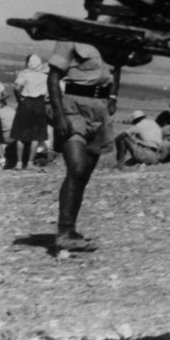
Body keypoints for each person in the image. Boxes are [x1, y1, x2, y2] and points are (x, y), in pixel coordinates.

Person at [47, 40, 119, 251]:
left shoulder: (111, 38)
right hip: (73, 108)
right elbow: (53, 77)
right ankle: (63, 233)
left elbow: (118, 68)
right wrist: (59, 115)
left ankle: (70, 230)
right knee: (76, 168)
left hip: (100, 112)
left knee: (84, 173)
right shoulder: (68, 39)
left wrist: (113, 95)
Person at [10, 54, 50, 170]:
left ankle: (18, 163)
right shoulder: (44, 76)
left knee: (20, 134)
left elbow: (16, 88)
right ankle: (30, 162)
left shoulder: (24, 74)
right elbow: (48, 94)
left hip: (26, 103)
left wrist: (19, 100)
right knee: (36, 135)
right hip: (39, 104)